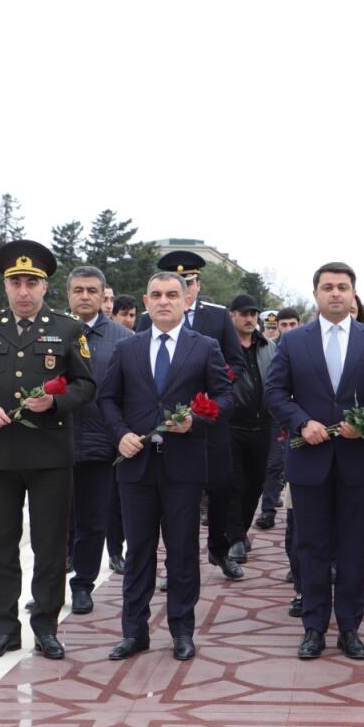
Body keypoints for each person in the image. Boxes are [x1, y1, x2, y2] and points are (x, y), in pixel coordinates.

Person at [0, 239, 96, 662]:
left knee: (49, 547)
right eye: (15, 282)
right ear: (5, 286)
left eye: (31, 283)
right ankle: (4, 630)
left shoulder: (67, 329)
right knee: (1, 546)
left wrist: (55, 400)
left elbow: (86, 385)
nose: (23, 291)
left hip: (50, 456)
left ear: (44, 287)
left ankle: (46, 628)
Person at [265, 262, 364, 660]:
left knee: (352, 548)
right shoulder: (293, 342)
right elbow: (275, 393)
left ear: (353, 294)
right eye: (327, 287)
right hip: (309, 460)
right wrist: (301, 422)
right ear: (316, 294)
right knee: (310, 546)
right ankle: (313, 628)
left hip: (358, 462)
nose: (335, 293)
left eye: (343, 287)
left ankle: (349, 627)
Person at [99, 272, 233, 662]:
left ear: (185, 300)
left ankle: (181, 631)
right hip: (136, 465)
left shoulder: (204, 347)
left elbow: (225, 397)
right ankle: (134, 631)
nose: (163, 301)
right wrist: (120, 434)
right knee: (139, 551)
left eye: (172, 294)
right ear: (145, 301)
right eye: (156, 295)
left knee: (182, 550)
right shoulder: (127, 348)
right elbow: (107, 399)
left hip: (183, 466)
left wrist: (197, 420)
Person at [137, 250, 247, 580]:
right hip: (166, 429)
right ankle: (173, 565)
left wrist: (212, 392)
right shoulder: (148, 318)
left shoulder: (218, 317)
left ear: (196, 284)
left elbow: (236, 362)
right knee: (170, 498)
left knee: (220, 488)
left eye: (188, 282)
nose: (182, 288)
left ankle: (219, 550)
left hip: (208, 422)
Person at [65, 266, 134, 613]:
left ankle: (83, 585)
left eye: (92, 290)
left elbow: (130, 392)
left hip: (100, 444)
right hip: (54, 444)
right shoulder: (50, 332)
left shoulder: (123, 338)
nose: (85, 296)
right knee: (53, 524)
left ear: (103, 295)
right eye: (78, 290)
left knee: (92, 522)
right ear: (68, 295)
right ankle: (47, 586)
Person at [225, 294, 277, 563]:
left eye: (253, 314)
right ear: (231, 315)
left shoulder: (269, 346)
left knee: (255, 484)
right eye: (244, 313)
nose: (249, 319)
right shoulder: (222, 346)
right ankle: (235, 539)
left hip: (263, 424)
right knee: (234, 484)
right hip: (231, 425)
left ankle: (241, 531)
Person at [256, 306, 302, 530]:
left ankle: (297, 511)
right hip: (275, 414)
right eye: (284, 325)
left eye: (293, 324)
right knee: (274, 463)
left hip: (303, 414)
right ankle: (268, 510)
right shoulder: (270, 348)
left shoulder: (308, 346)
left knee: (298, 464)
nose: (288, 329)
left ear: (299, 324)